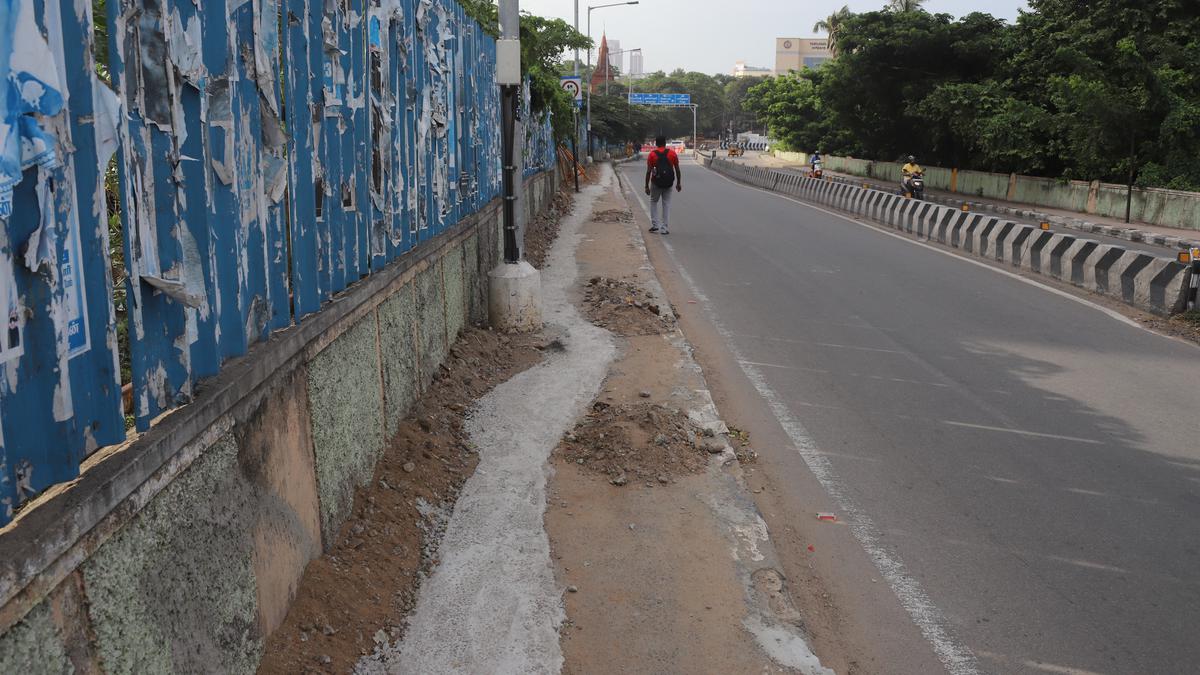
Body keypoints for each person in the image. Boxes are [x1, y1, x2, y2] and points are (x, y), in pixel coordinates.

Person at [645, 135, 682, 234]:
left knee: (653, 202)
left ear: (656, 144)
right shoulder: (672, 153)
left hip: (656, 183)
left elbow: (649, 171)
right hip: (668, 183)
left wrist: (646, 186)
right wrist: (678, 183)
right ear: (665, 143)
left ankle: (655, 225)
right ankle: (664, 228)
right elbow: (677, 170)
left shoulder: (652, 154)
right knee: (666, 204)